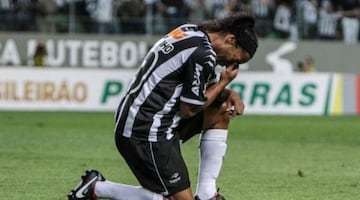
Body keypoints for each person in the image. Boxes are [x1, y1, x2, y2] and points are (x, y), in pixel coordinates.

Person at [68, 12, 258, 200]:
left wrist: (228, 94)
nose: (231, 64)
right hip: (145, 131)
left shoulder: (189, 31)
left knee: (222, 107)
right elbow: (189, 109)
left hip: (150, 120)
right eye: (237, 59)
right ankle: (97, 188)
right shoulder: (204, 54)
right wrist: (225, 82)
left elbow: (197, 91)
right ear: (231, 39)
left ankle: (207, 194)